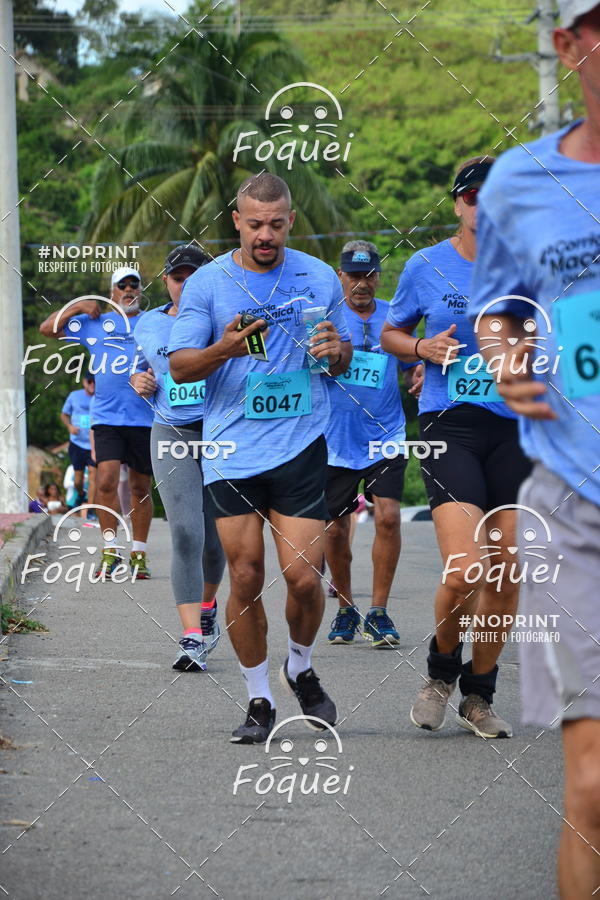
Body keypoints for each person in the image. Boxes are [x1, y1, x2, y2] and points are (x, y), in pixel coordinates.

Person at [469, 3, 600, 894]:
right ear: (570, 45)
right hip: (577, 502)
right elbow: (499, 309)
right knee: (593, 785)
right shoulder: (521, 182)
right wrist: (509, 355)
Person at [169, 172, 352, 744]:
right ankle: (259, 698)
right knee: (245, 575)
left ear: (290, 221)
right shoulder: (208, 283)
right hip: (230, 451)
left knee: (303, 578)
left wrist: (337, 351)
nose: (265, 235)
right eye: (255, 225)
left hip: (299, 445)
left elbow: (345, 354)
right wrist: (226, 346)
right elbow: (180, 366)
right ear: (237, 223)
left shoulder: (320, 277)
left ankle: (299, 665)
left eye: (276, 224)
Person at [381, 156, 532, 739]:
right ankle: (441, 670)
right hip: (451, 425)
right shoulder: (426, 265)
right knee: (467, 568)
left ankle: (480, 695)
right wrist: (421, 349)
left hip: (516, 428)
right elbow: (391, 333)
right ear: (458, 204)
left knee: (508, 570)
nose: (483, 206)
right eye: (472, 197)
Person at [131, 244, 226, 672]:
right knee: (187, 533)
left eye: (193, 277)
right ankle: (191, 638)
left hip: (223, 431)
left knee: (216, 537)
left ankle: (207, 607)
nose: (184, 285)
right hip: (171, 431)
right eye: (177, 277)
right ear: (167, 281)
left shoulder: (226, 319)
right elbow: (142, 366)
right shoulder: (148, 323)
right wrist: (140, 379)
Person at [39, 267, 154, 579]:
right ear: (112, 291)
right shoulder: (96, 322)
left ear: (140, 290)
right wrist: (78, 305)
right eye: (123, 285)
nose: (129, 290)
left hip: (144, 417)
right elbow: (47, 329)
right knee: (104, 482)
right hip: (106, 417)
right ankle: (110, 550)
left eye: (135, 285)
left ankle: (139, 554)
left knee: (140, 487)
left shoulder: (152, 321)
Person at [325, 240, 410, 648]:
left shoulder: (395, 315)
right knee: (337, 531)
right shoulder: (325, 316)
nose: (362, 283)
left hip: (386, 434)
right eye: (353, 275)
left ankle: (378, 611)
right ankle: (345, 609)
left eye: (369, 275)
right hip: (334, 439)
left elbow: (414, 359)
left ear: (378, 276)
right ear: (340, 275)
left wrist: (420, 374)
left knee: (389, 516)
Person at [60, 372, 96, 510]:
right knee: (78, 480)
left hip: (94, 445)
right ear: (84, 382)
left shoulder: (101, 397)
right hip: (77, 443)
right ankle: (81, 493)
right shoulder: (74, 396)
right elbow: (64, 414)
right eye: (89, 381)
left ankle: (91, 508)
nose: (92, 384)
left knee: (93, 476)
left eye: (95, 381)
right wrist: (69, 426)